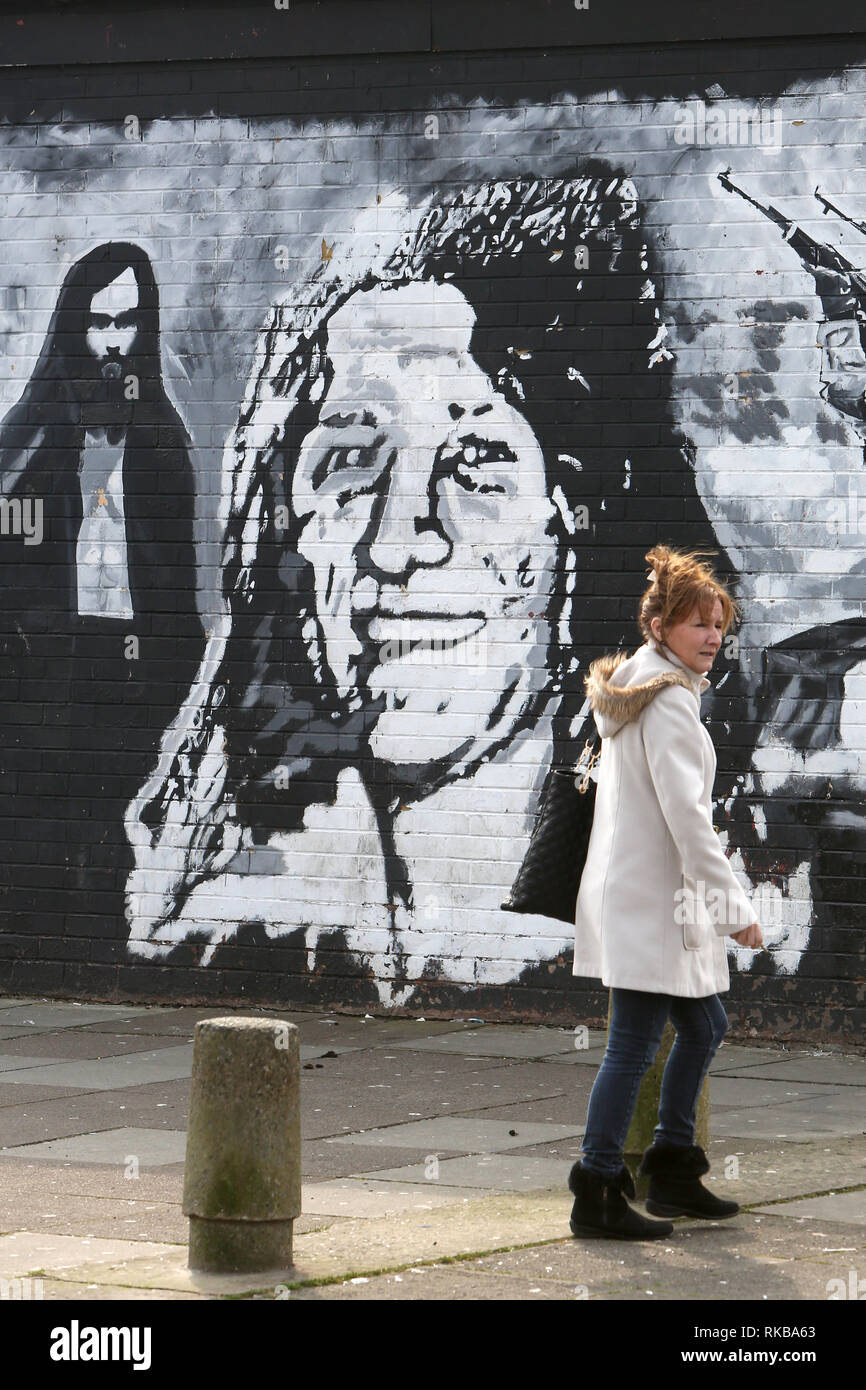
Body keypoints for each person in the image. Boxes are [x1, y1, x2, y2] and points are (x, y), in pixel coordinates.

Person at [123, 171, 731, 1007]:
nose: (398, 541)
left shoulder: (733, 835)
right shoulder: (227, 916)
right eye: (350, 460)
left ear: (574, 519)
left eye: (476, 467)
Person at [0, 242, 203, 940]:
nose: (113, 339)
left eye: (127, 320)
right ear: (71, 327)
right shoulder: (32, 436)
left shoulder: (162, 442)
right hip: (45, 683)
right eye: (98, 321)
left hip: (134, 681)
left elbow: (177, 591)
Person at [569, 544, 764, 1239]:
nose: (713, 637)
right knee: (633, 1043)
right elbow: (688, 819)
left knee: (704, 1025)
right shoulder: (668, 703)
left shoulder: (644, 686)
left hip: (647, 900)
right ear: (661, 628)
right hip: (653, 906)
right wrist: (734, 909)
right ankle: (595, 1188)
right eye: (699, 624)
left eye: (720, 625)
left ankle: (673, 1168)